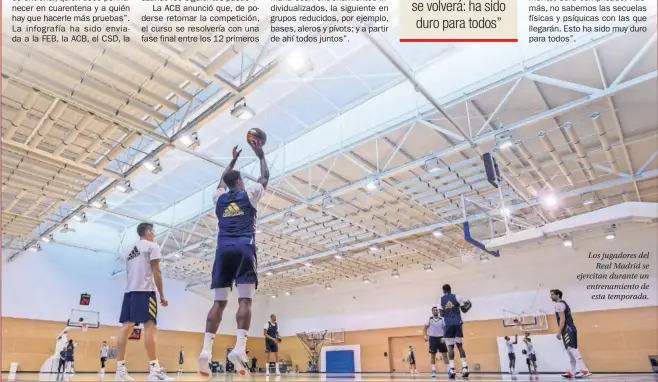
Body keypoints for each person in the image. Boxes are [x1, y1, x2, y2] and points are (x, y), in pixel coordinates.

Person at [197, 142, 269, 377]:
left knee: (218, 303)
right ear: (239, 182)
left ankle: (206, 350)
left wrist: (233, 161)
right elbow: (265, 177)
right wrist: (261, 155)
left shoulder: (219, 198)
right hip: (243, 249)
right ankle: (239, 348)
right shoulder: (249, 194)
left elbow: (221, 181)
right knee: (245, 299)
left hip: (222, 250)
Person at [114, 222, 172, 381]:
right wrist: (161, 295)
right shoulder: (152, 246)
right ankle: (154, 371)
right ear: (148, 232)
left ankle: (119, 372)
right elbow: (156, 271)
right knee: (150, 326)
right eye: (153, 232)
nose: (154, 234)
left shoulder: (129, 250)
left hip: (129, 292)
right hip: (145, 291)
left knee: (126, 327)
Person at [551, 289, 591, 379]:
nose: (551, 296)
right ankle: (572, 372)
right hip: (568, 329)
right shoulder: (562, 303)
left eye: (553, 294)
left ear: (558, 295)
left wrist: (559, 332)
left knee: (573, 349)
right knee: (569, 350)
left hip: (567, 329)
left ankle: (584, 370)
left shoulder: (559, 304)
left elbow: (562, 319)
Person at [439, 284, 471, 379]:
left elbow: (441, 314)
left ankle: (452, 369)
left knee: (450, 346)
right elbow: (464, 310)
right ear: (450, 289)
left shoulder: (440, 300)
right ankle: (465, 368)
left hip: (448, 324)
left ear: (443, 291)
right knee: (460, 346)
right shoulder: (457, 297)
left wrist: (448, 311)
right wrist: (469, 306)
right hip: (457, 323)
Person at [424, 306, 449, 378]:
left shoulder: (442, 319)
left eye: (436, 310)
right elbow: (425, 328)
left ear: (438, 311)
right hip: (432, 338)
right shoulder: (430, 319)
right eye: (434, 310)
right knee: (433, 355)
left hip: (441, 338)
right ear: (432, 312)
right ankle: (433, 370)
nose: (435, 311)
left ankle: (448, 370)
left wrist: (445, 337)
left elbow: (445, 329)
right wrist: (425, 336)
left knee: (444, 355)